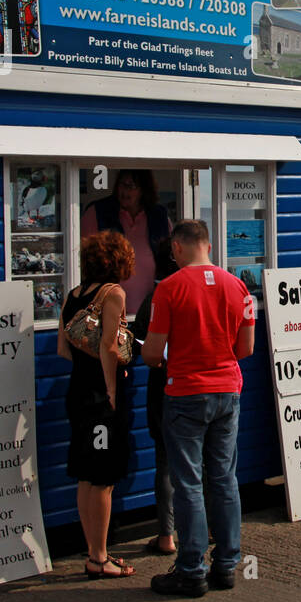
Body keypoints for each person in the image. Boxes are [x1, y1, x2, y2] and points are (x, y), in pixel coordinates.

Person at [143, 220, 255, 597]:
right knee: (223, 477)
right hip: (227, 391)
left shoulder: (168, 289)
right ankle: (226, 564)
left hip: (185, 393)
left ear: (177, 247)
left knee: (188, 482)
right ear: (207, 245)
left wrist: (155, 355)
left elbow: (153, 353)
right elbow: (246, 349)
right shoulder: (238, 286)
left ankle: (191, 569)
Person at [57, 231, 136, 578]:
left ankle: (93, 552)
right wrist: (111, 391)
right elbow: (108, 346)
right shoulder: (113, 294)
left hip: (77, 393)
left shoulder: (72, 295)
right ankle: (99, 557)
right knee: (103, 476)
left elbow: (63, 349)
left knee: (85, 475)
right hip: (100, 400)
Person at [129, 238, 178, 556]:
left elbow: (144, 349)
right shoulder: (206, 289)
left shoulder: (155, 298)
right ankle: (213, 527)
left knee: (165, 460)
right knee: (207, 460)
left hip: (165, 388)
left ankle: (166, 536)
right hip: (210, 387)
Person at [81, 169, 172, 316]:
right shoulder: (97, 212)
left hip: (150, 313)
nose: (124, 190)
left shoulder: (159, 217)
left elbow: (169, 259)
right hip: (107, 312)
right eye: (122, 185)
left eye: (131, 186)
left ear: (144, 189)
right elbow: (83, 262)